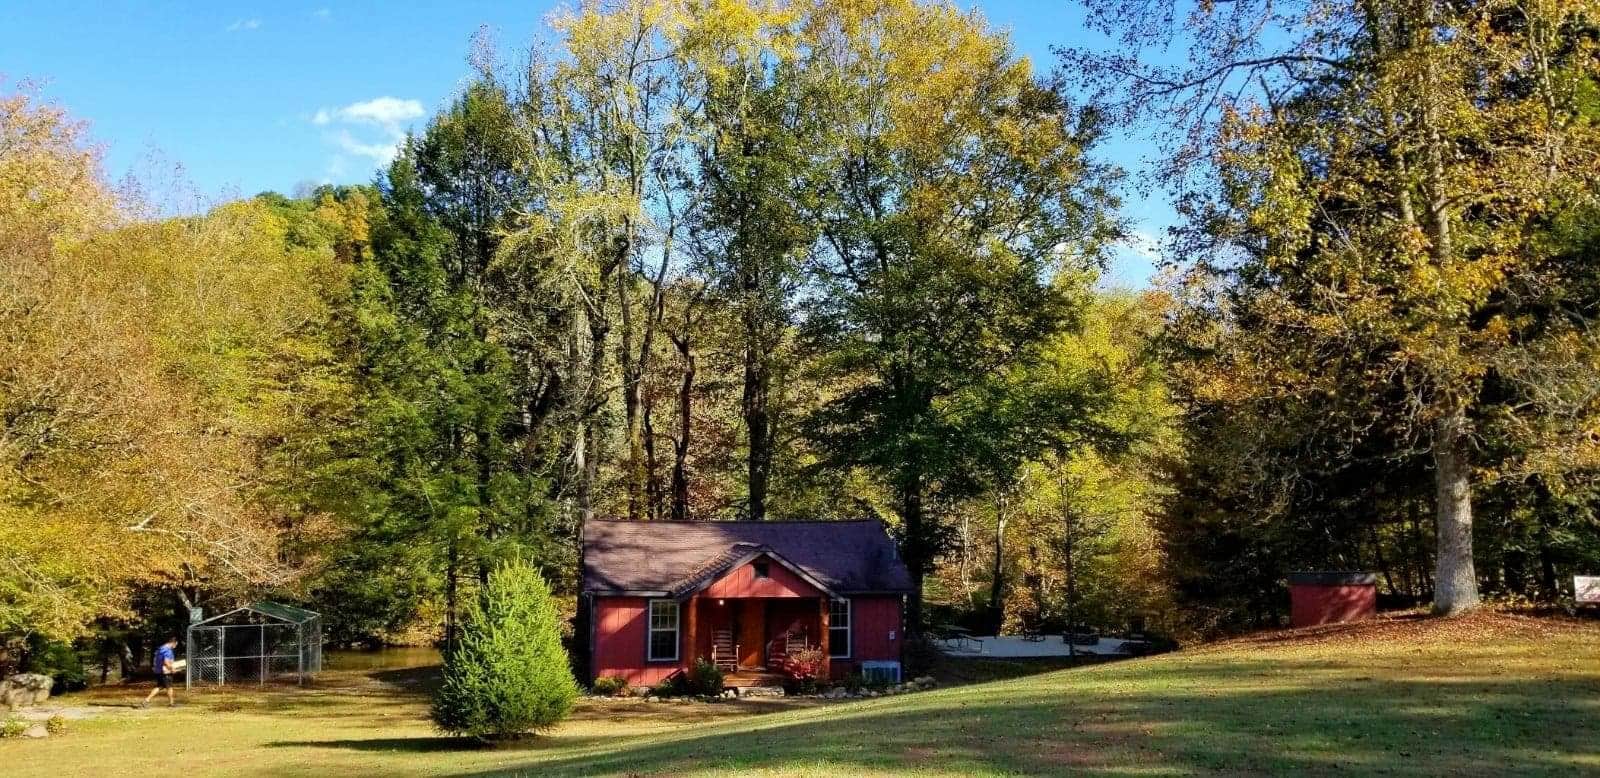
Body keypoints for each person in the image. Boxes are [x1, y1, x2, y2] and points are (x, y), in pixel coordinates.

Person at [141, 636, 180, 708]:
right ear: (173, 643)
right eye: (176, 644)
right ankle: (171, 704)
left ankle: (146, 700)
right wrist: (172, 669)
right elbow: (166, 662)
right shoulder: (168, 650)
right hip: (165, 672)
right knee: (169, 687)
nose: (175, 646)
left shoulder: (161, 648)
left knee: (160, 686)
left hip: (158, 670)